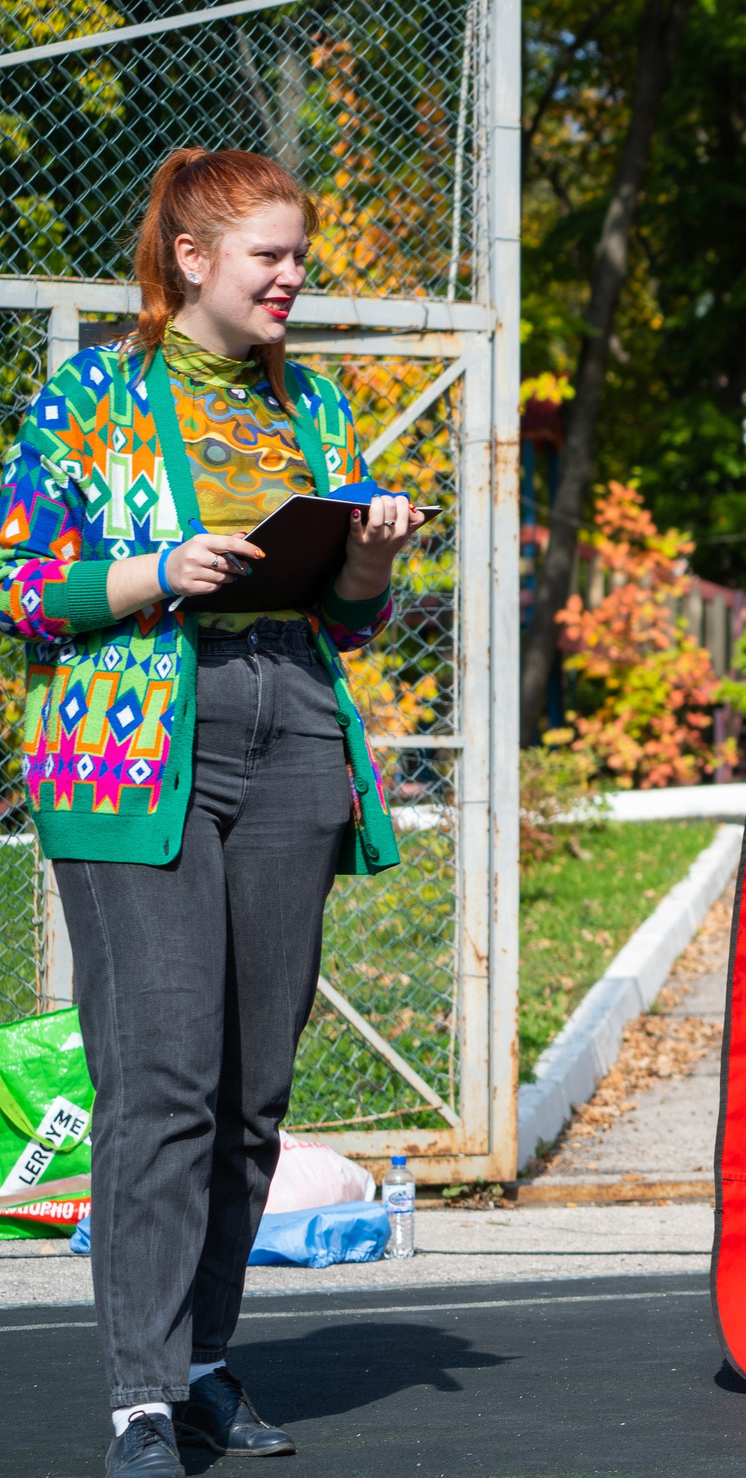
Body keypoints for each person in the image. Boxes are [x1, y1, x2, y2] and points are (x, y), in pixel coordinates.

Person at [0, 148, 423, 1478]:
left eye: (299, 256)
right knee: (163, 1083)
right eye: (268, 256)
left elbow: (351, 622)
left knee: (253, 1091)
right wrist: (152, 571)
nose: (292, 277)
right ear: (191, 259)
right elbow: (21, 584)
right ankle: (137, 1398)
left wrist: (368, 565)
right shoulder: (91, 396)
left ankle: (199, 1365)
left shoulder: (318, 406)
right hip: (131, 748)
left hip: (292, 723)